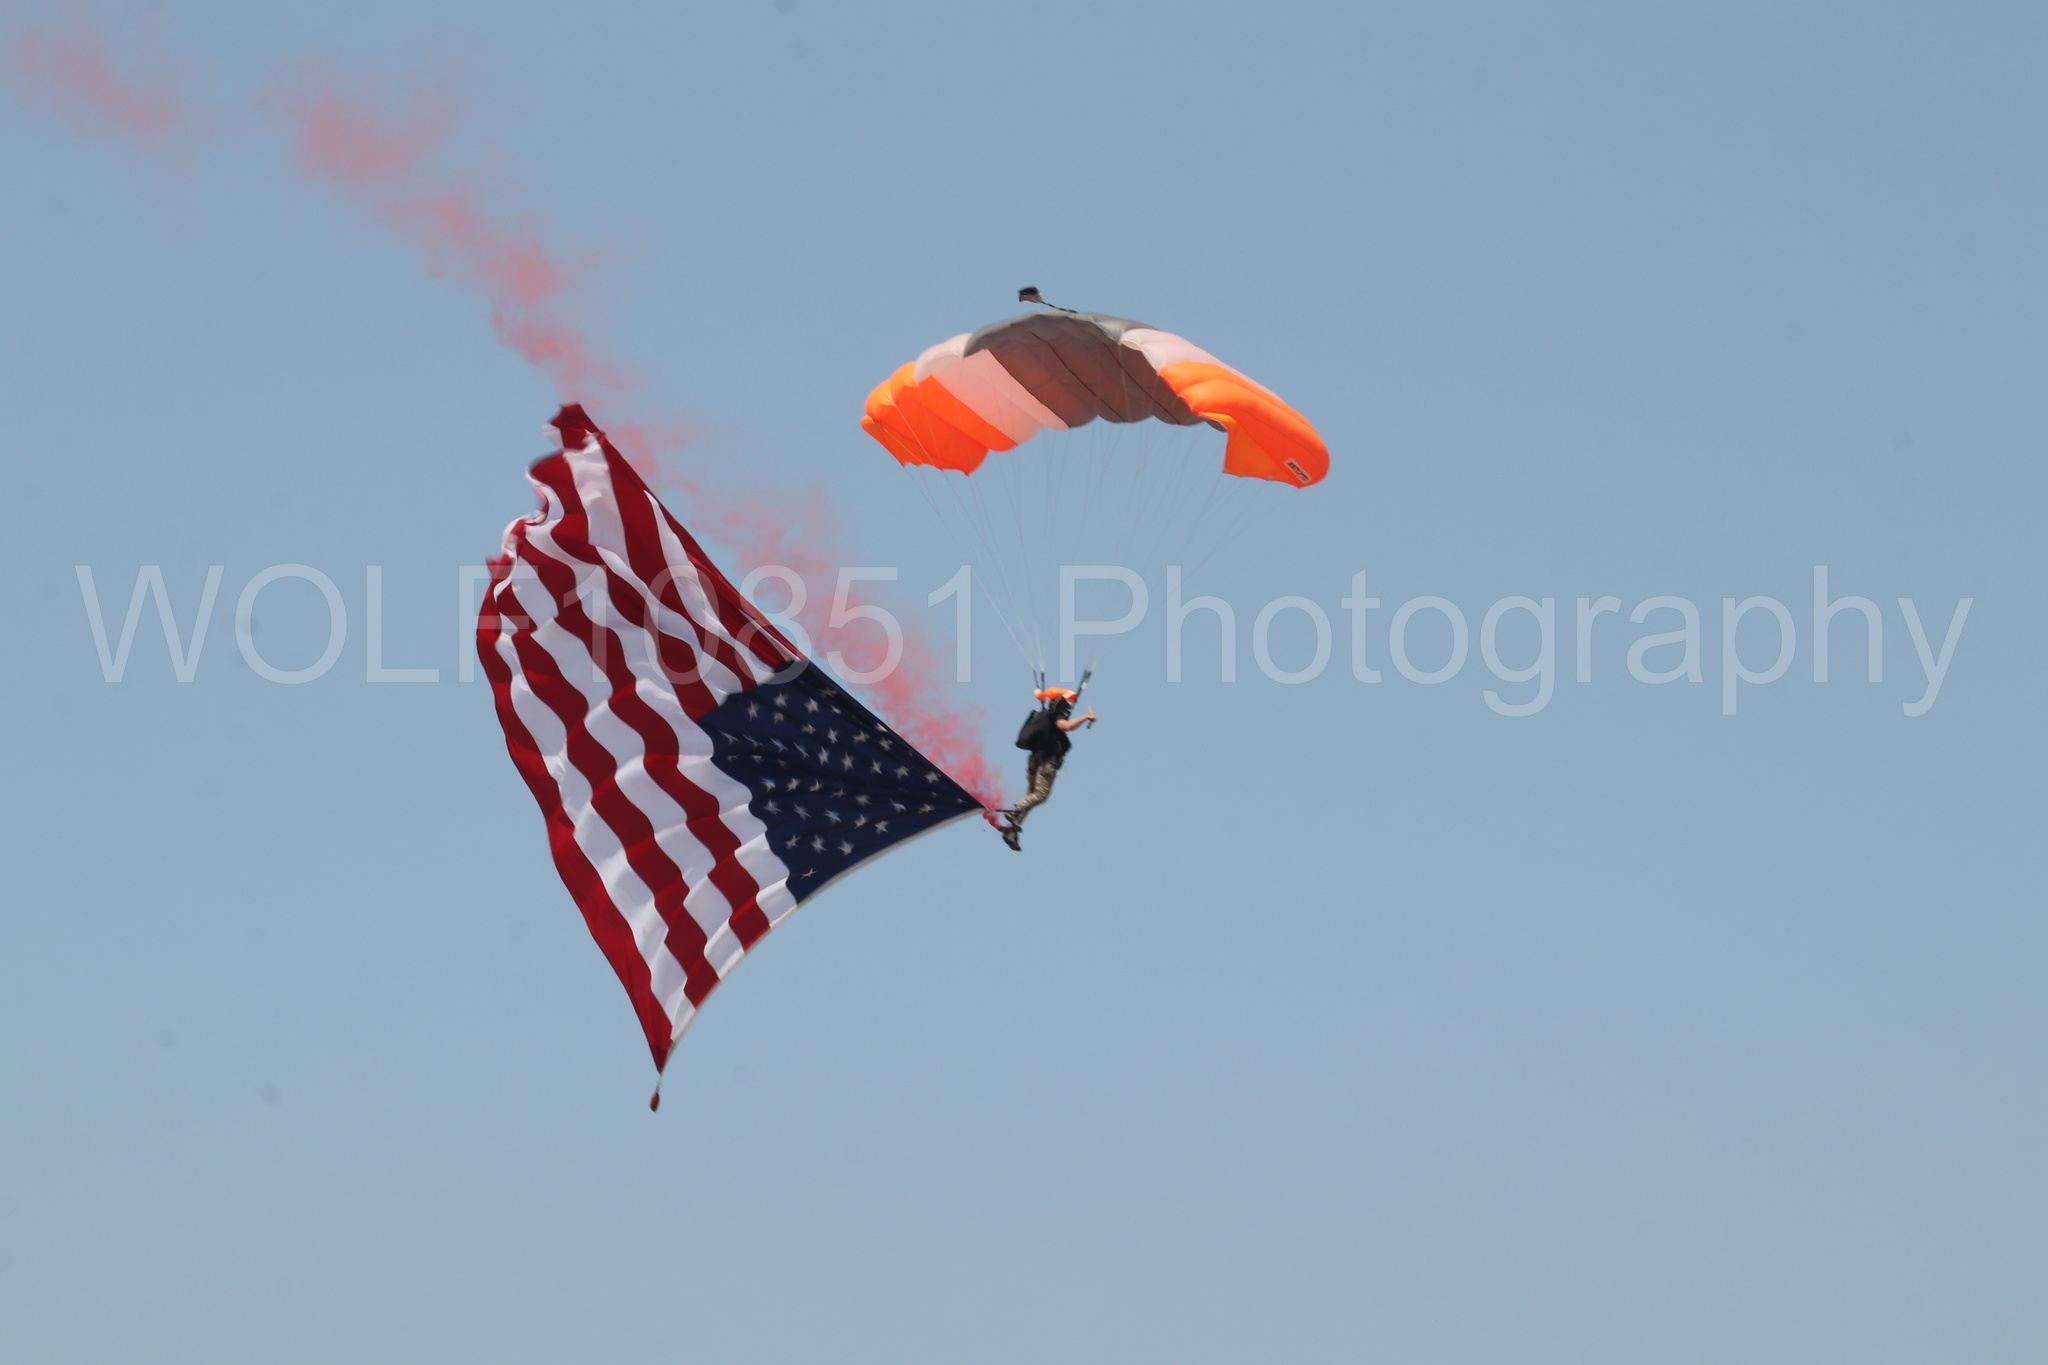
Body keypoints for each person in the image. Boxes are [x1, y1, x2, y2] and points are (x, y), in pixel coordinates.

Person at [1000, 688, 1094, 850]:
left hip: (1033, 762)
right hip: (1046, 763)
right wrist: (1086, 717)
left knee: (1031, 796)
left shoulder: (1045, 720)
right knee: (1041, 795)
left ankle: (1012, 829)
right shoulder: (1057, 718)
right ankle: (1016, 810)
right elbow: (1067, 726)